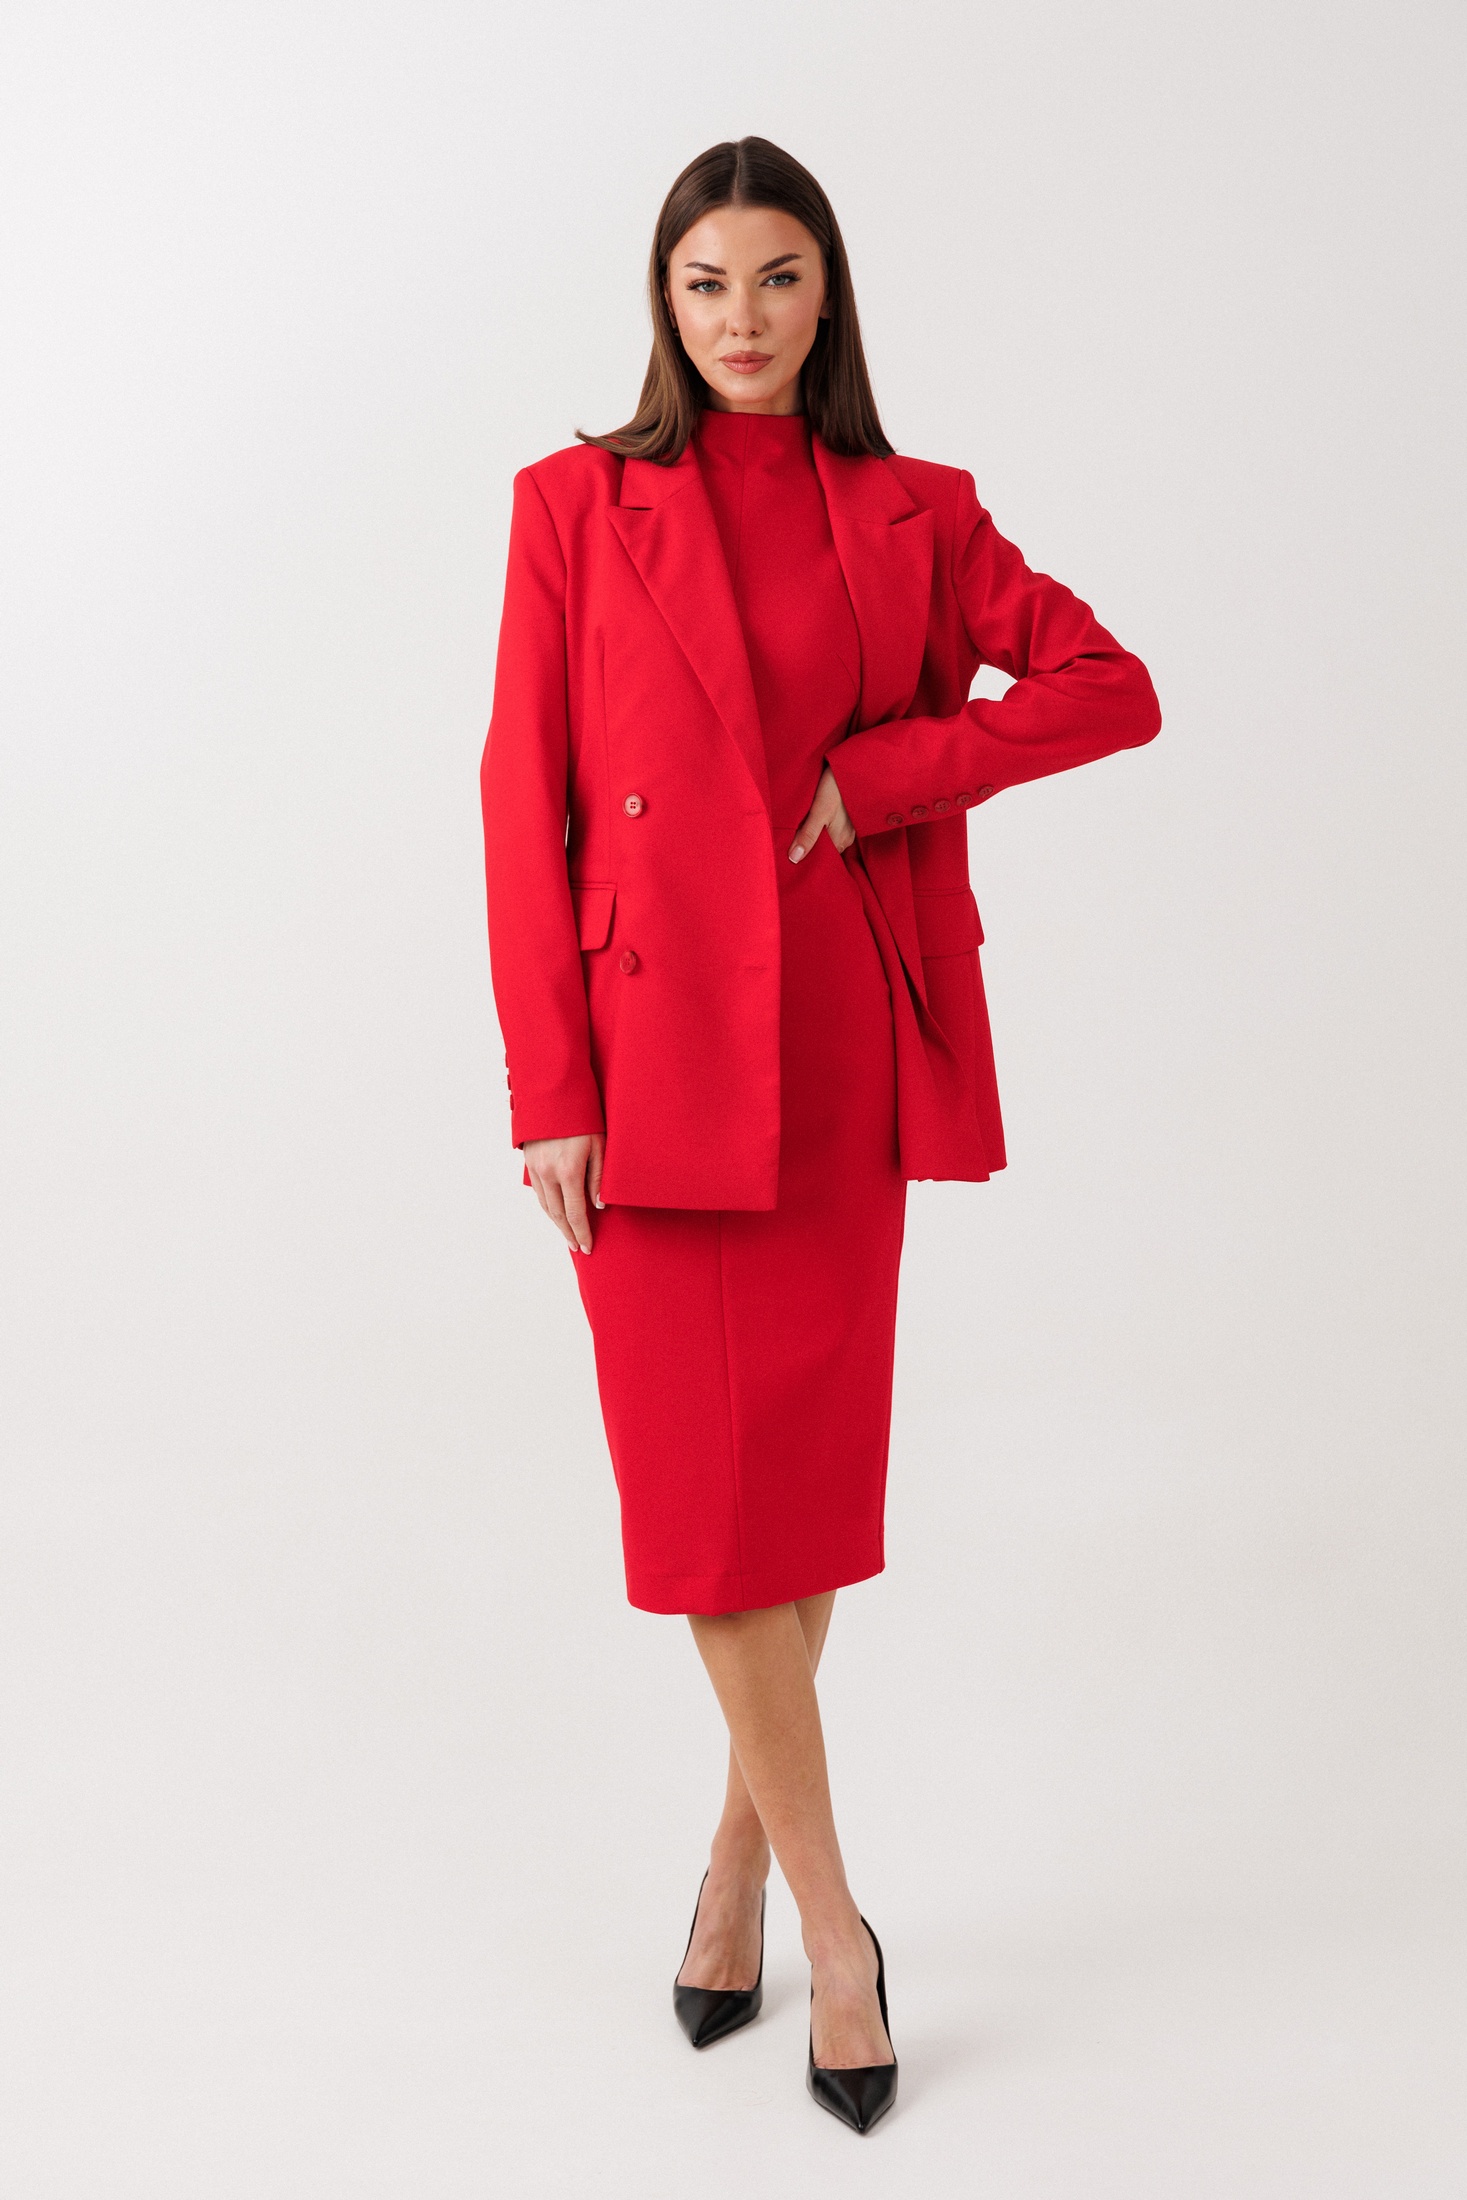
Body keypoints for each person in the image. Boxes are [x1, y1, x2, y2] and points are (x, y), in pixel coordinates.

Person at [480, 136, 1159, 2133]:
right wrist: (548, 1093)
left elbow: (1107, 685)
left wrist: (885, 774)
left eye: (777, 278)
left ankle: (731, 1872)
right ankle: (834, 1925)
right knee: (705, 1514)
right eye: (705, 283)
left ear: (827, 294)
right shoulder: (570, 508)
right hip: (645, 1055)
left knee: (785, 1489)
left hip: (837, 1047)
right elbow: (520, 801)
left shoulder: (914, 509)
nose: (743, 317)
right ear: (662, 301)